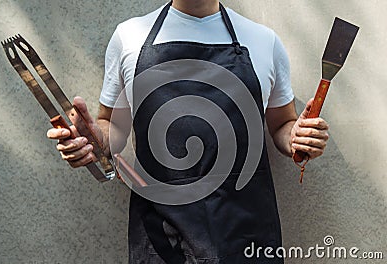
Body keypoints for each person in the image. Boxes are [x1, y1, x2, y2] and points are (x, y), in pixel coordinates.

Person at [47, 0, 329, 263]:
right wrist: (93, 140)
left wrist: (297, 137)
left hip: (246, 233)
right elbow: (112, 130)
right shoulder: (129, 37)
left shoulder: (264, 41)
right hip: (161, 238)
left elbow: (281, 124)